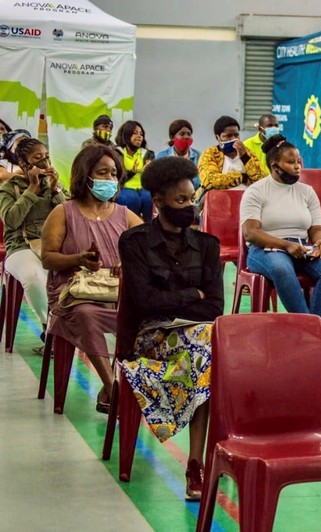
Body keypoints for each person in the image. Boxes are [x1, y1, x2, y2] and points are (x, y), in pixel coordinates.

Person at [118, 156, 223, 501]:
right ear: (158, 201)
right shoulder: (134, 243)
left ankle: (197, 460)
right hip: (152, 337)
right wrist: (192, 293)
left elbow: (215, 306)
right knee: (208, 351)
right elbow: (145, 302)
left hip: (197, 335)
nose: (189, 207)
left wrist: (175, 300)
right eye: (180, 201)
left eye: (192, 199)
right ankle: (199, 460)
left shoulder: (207, 245)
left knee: (207, 346)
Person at [40, 144, 142, 412]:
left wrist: (127, 261)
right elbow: (48, 258)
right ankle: (113, 389)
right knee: (86, 314)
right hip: (73, 292)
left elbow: (148, 249)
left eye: (113, 174)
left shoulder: (125, 215)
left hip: (114, 290)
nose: (109, 179)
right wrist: (78, 259)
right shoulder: (64, 212)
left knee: (151, 314)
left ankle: (115, 386)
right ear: (85, 176)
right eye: (103, 172)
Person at [241, 135, 321, 319]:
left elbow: (317, 228)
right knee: (281, 269)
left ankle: (307, 329)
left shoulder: (307, 192)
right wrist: (285, 245)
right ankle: (311, 331)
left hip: (301, 248)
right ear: (274, 165)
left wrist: (319, 243)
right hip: (265, 250)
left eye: (298, 162)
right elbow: (250, 233)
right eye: (290, 162)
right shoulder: (256, 191)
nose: (297, 167)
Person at [0, 138, 66, 341]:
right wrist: (31, 191)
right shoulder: (9, 188)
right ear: (24, 164)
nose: (45, 162)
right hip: (20, 247)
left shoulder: (54, 185)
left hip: (52, 246)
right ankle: (51, 327)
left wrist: (55, 190)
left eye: (46, 157)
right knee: (33, 278)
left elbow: (69, 216)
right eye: (38, 158)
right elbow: (10, 220)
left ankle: (64, 329)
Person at [198, 115, 268, 196]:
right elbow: (210, 180)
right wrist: (243, 178)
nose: (233, 139)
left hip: (246, 200)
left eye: (236, 135)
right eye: (228, 136)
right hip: (217, 201)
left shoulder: (248, 152)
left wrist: (245, 157)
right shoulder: (210, 154)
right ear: (218, 138)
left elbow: (263, 180)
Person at [115, 120, 155, 222]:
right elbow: (118, 176)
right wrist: (132, 172)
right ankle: (130, 227)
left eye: (141, 134)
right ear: (126, 135)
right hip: (124, 187)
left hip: (143, 187)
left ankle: (149, 229)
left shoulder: (147, 154)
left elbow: (154, 177)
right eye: (135, 133)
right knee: (132, 199)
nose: (139, 136)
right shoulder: (117, 152)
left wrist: (150, 171)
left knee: (148, 197)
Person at [155, 119, 201, 189]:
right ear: (172, 137)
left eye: (189, 134)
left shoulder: (199, 157)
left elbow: (200, 182)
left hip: (194, 197)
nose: (186, 137)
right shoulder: (161, 157)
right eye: (182, 134)